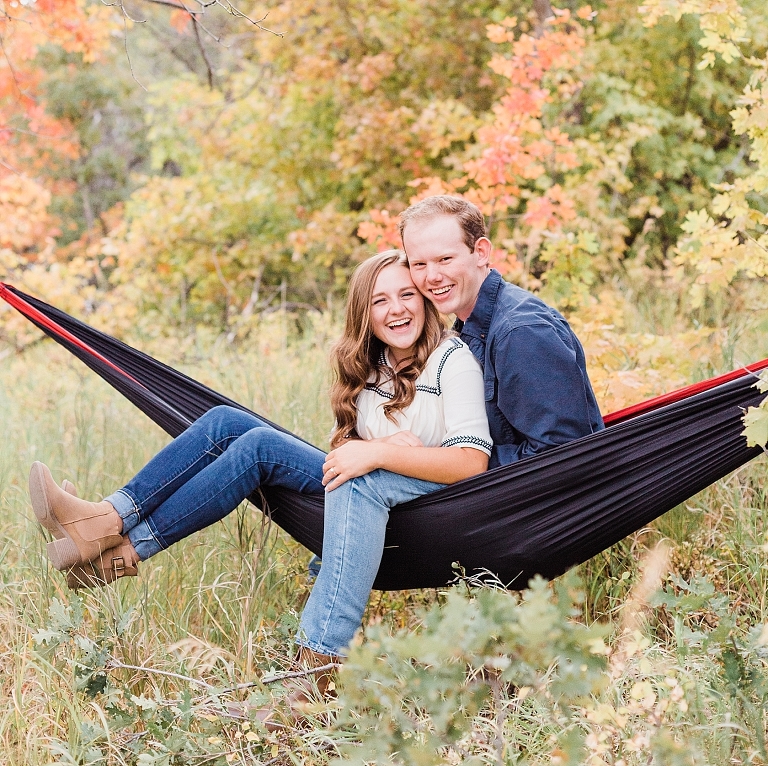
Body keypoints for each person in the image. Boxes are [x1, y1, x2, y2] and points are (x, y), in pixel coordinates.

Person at [29, 250, 491, 672]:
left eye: (407, 294)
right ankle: (108, 520)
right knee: (233, 427)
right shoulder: (372, 369)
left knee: (286, 454)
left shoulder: (453, 360)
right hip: (368, 489)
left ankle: (119, 550)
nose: (397, 309)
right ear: (364, 315)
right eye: (380, 300)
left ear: (426, 302)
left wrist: (385, 451)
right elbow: (354, 457)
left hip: (427, 506)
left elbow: (471, 463)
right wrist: (382, 449)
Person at [399, 195, 603, 468]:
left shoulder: (520, 333)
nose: (431, 276)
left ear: (481, 252)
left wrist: (456, 463)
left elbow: (565, 455)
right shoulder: (466, 328)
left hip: (541, 502)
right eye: (419, 264)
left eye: (445, 259)